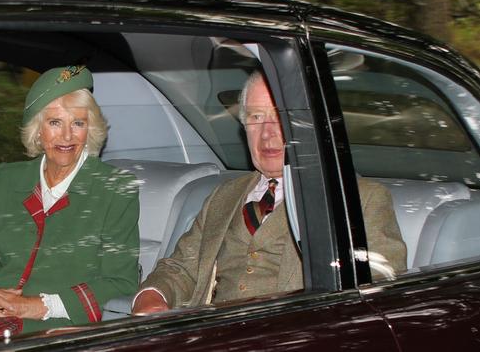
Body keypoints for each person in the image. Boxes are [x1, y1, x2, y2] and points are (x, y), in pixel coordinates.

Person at [132, 70, 407, 314]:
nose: (267, 133)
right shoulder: (224, 196)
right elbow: (181, 267)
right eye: (256, 117)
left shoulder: (360, 199)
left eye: (279, 117)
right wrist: (151, 296)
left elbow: (380, 287)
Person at [0, 65, 140, 335]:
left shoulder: (115, 189)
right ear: (37, 130)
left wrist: (37, 306)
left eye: (78, 123)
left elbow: (121, 282)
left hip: (58, 329)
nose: (67, 136)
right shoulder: (7, 179)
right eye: (55, 122)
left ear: (90, 129)